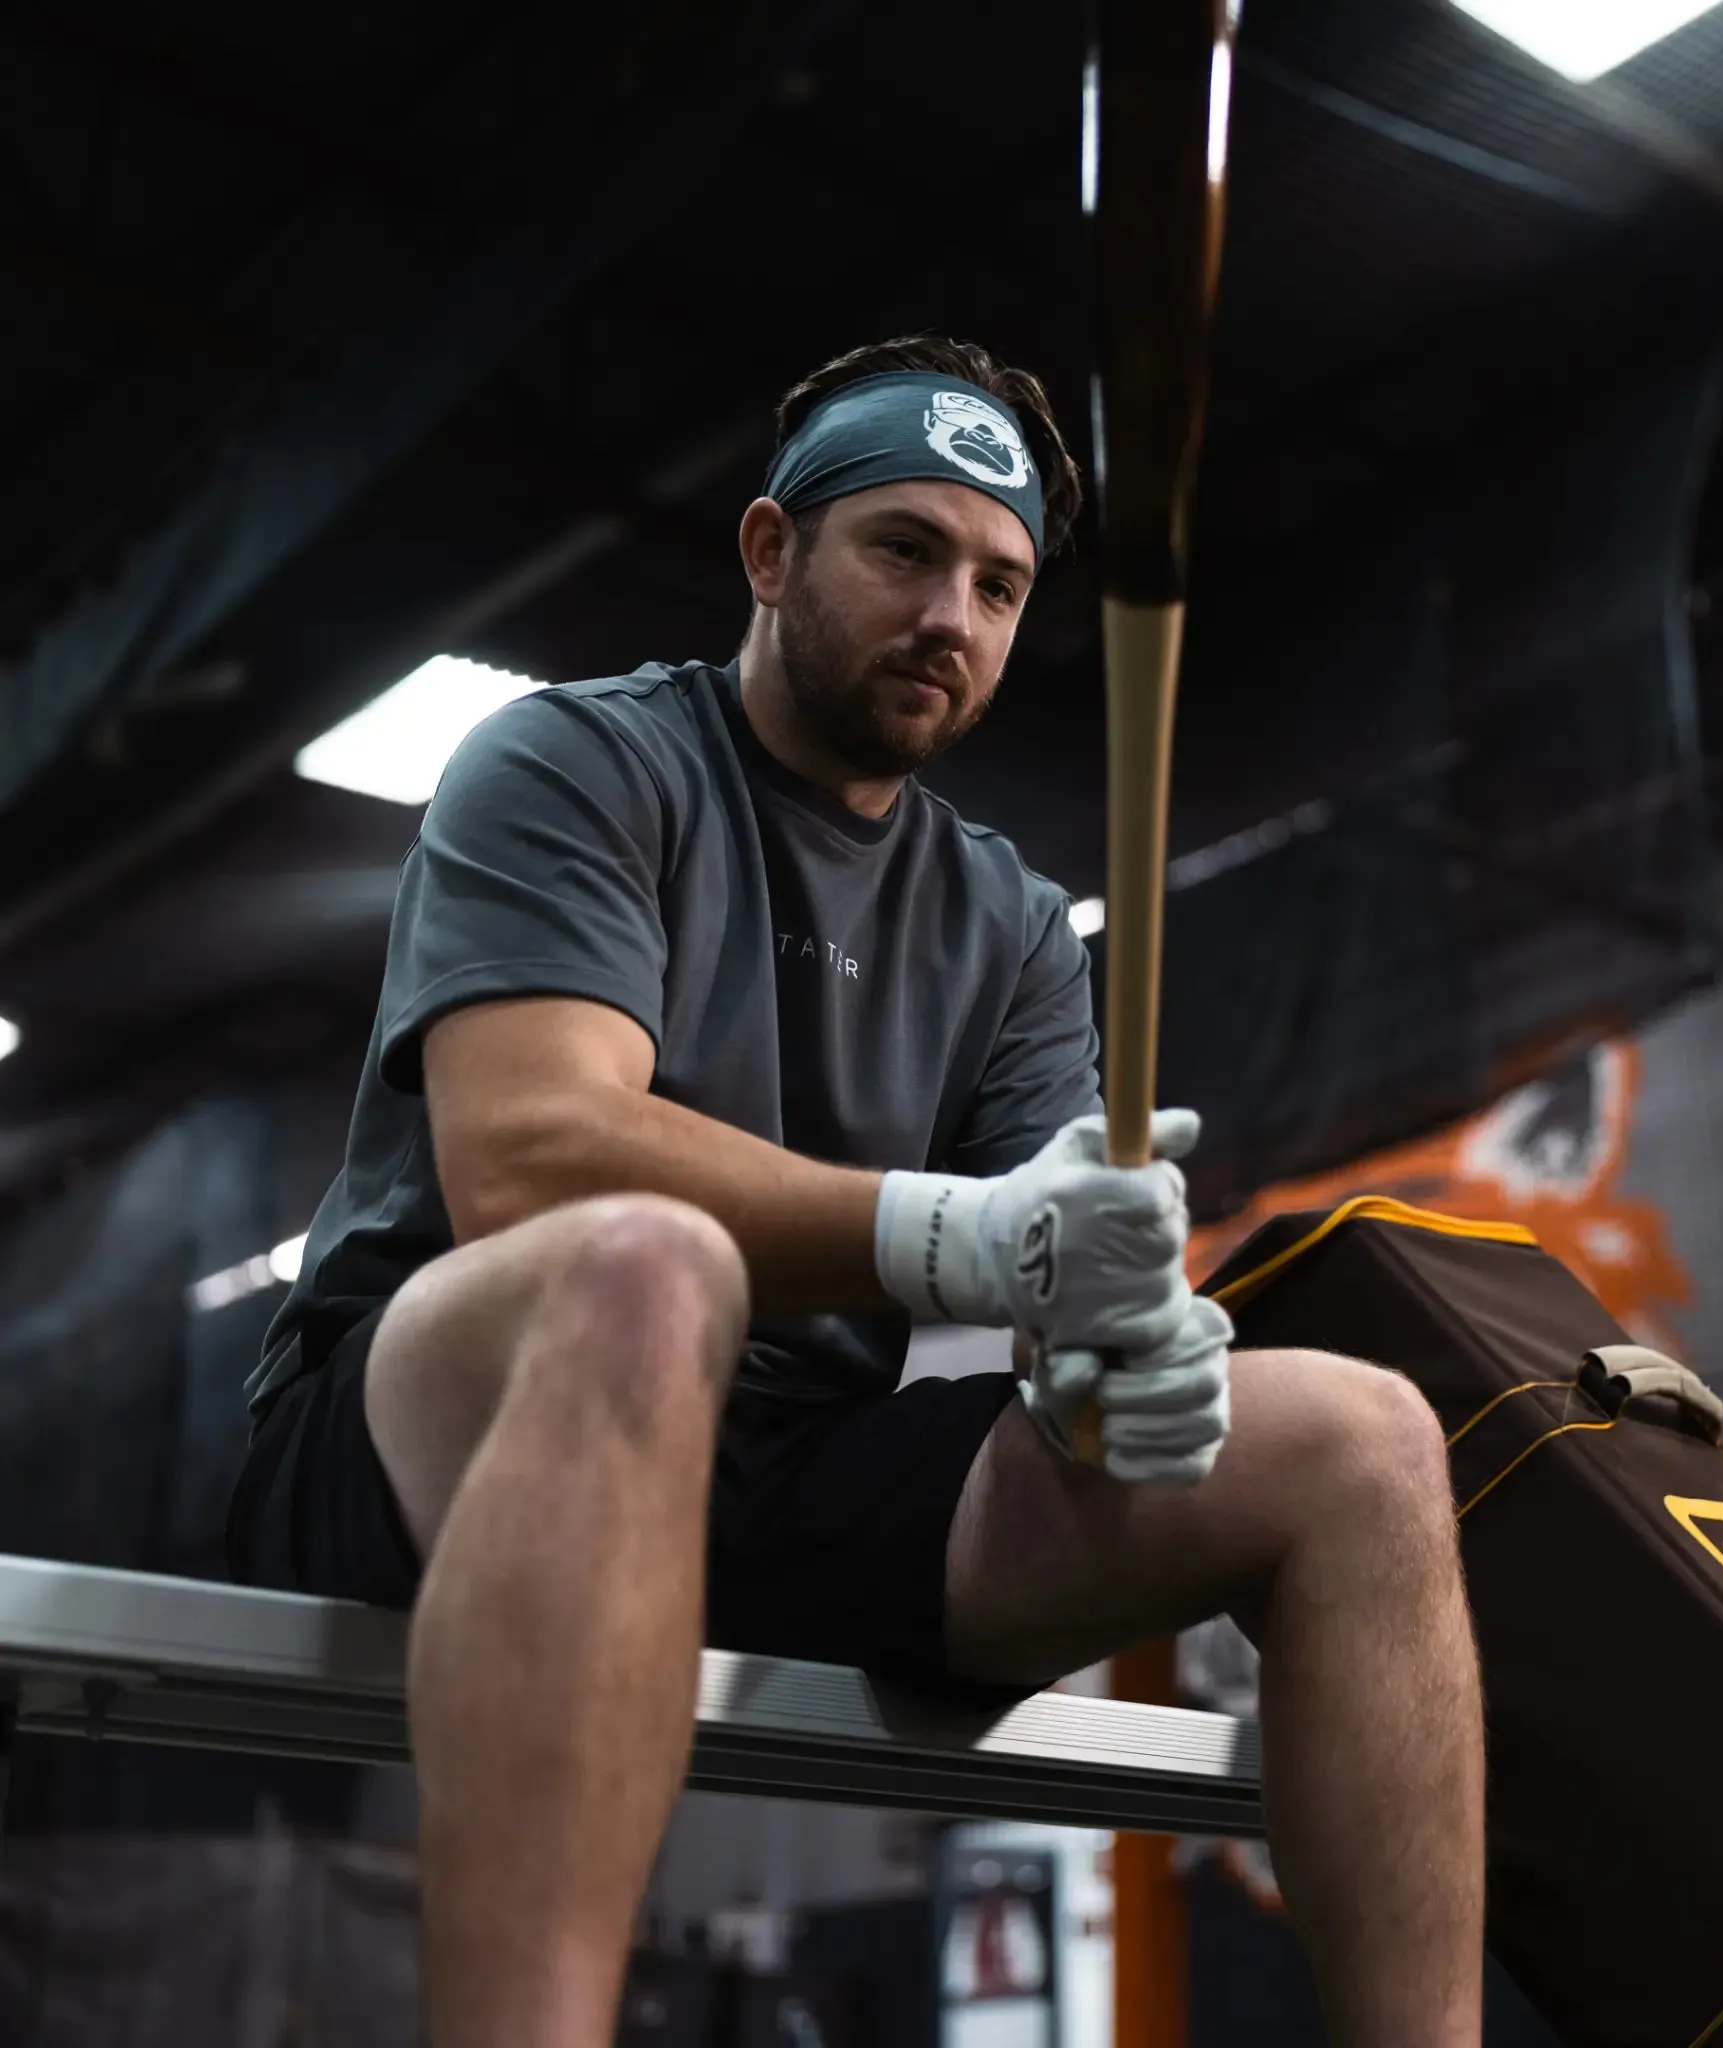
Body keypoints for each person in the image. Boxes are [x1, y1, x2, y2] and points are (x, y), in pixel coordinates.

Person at [225, 335, 1485, 2047]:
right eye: (903, 548)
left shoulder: (1019, 927)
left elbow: (1058, 1291)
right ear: (771, 552)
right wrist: (957, 1240)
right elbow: (526, 1161)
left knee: (1367, 1442)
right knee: (643, 1274)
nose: (951, 615)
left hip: (792, 1468)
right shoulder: (574, 764)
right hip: (447, 1412)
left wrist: (1122, 1355)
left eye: (999, 580)